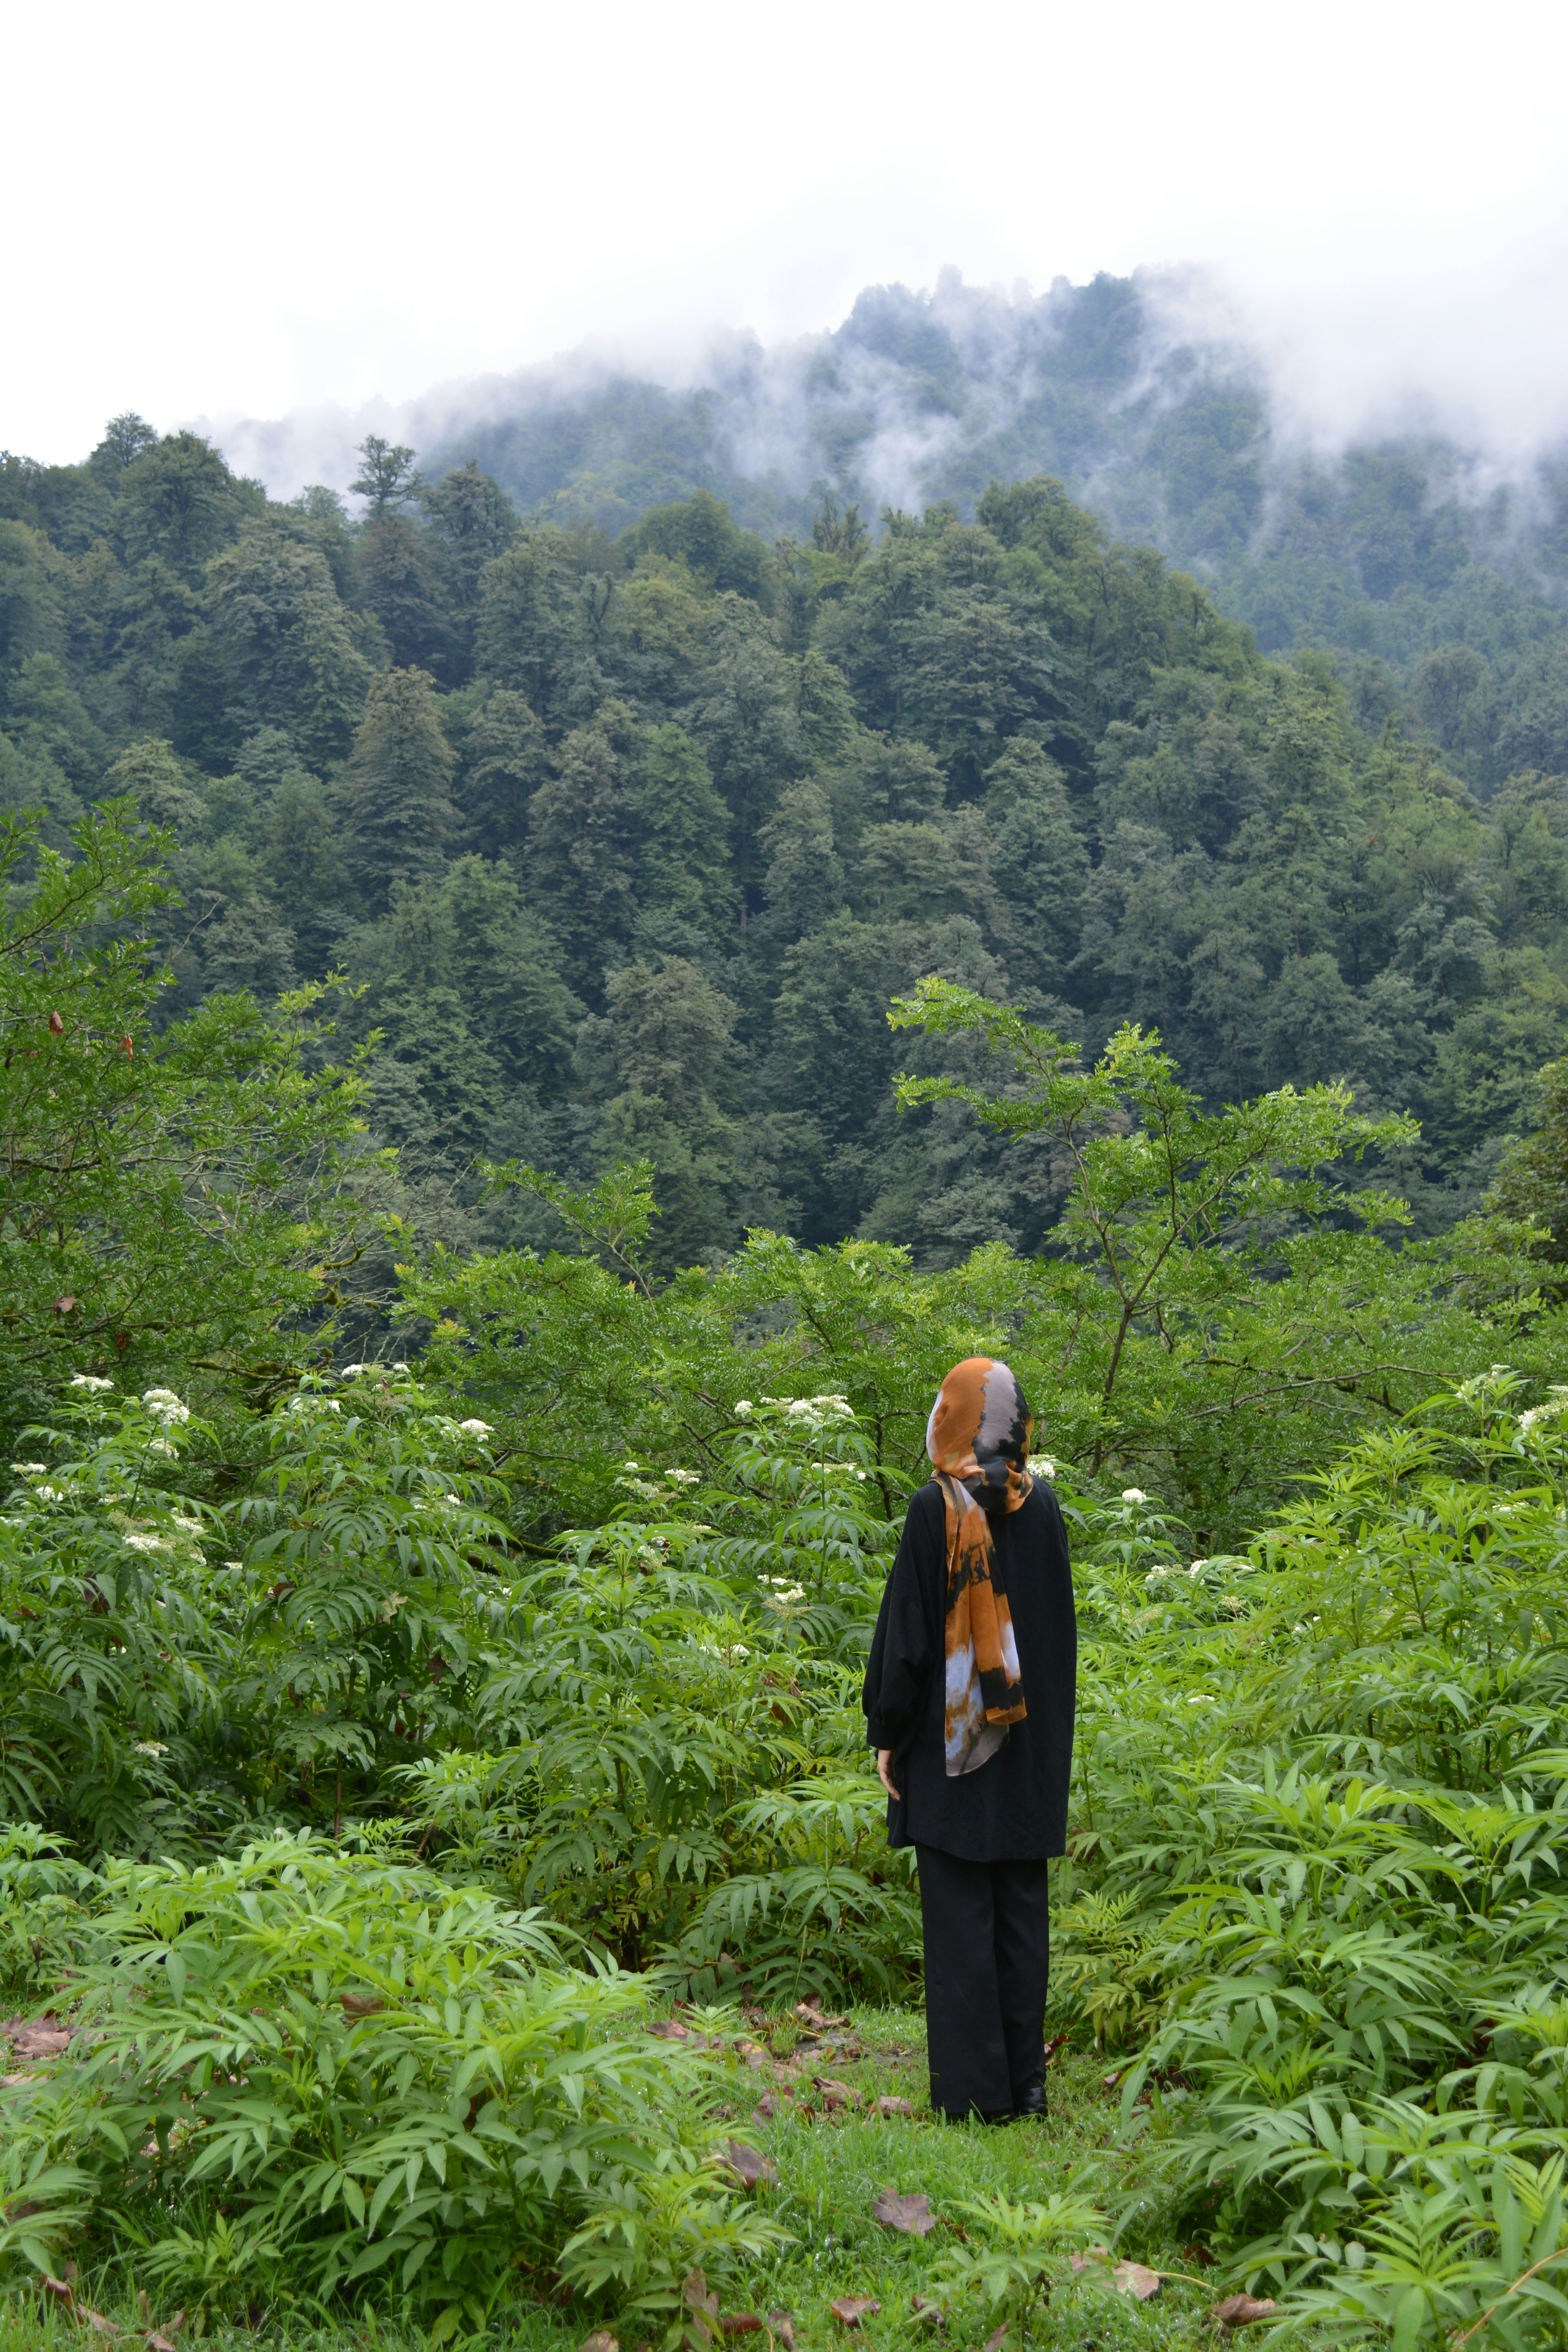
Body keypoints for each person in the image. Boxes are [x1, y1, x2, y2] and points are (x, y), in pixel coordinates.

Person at [862, 1356, 1076, 2122]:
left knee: (959, 1921)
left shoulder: (937, 1507)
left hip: (952, 1745)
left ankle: (971, 2100)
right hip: (1030, 1745)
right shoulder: (1041, 1505)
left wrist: (885, 1732)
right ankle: (1026, 2088)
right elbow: (1058, 1636)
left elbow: (908, 1642)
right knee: (1020, 1915)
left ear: (954, 1419)